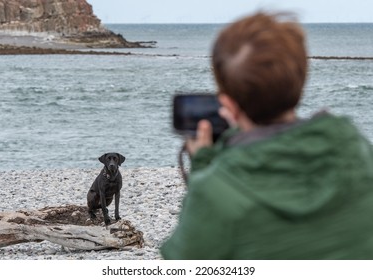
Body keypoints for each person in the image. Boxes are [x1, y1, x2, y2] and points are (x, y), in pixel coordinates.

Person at [160, 11, 373, 259]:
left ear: (228, 105)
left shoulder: (216, 191)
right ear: (300, 82)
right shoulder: (357, 148)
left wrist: (204, 163)